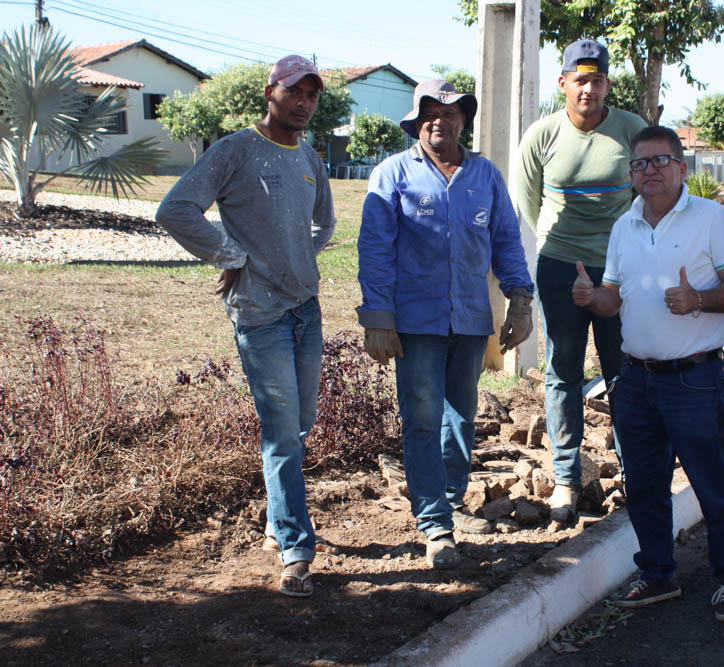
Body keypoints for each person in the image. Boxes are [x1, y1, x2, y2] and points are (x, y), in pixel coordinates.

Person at [156, 55, 333, 598]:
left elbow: (325, 221)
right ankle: (297, 550)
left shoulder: (310, 157)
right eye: (293, 91)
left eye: (311, 94)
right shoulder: (236, 149)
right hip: (260, 313)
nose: (302, 102)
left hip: (306, 307)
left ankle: (276, 521)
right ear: (269, 91)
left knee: (300, 422)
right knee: (282, 431)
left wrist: (301, 254)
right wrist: (230, 254)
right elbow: (176, 209)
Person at [572, 125, 724, 621]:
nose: (648, 171)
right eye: (639, 164)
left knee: (711, 483)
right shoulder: (623, 226)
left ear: (681, 168)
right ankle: (657, 575)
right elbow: (613, 299)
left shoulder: (710, 218)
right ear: (631, 175)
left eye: (659, 161)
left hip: (693, 380)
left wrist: (698, 299)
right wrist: (593, 299)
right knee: (645, 486)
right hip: (635, 379)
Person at [357, 80, 534, 569]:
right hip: (415, 322)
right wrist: (378, 316)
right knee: (421, 418)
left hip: (472, 318)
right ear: (416, 121)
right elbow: (374, 250)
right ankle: (435, 525)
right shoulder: (393, 174)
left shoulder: (485, 176)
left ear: (464, 120)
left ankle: (451, 499)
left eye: (452, 111)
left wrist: (520, 299)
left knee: (461, 415)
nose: (441, 119)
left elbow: (507, 240)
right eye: (430, 111)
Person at [513, 39, 647, 522]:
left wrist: (625, 252)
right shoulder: (543, 135)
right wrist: (560, 244)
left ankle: (637, 475)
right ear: (563, 82)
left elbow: (652, 193)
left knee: (623, 370)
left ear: (607, 83)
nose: (588, 88)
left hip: (620, 271)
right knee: (563, 371)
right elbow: (527, 200)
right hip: (559, 268)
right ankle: (566, 481)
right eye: (580, 79)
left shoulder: (632, 131)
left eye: (597, 79)